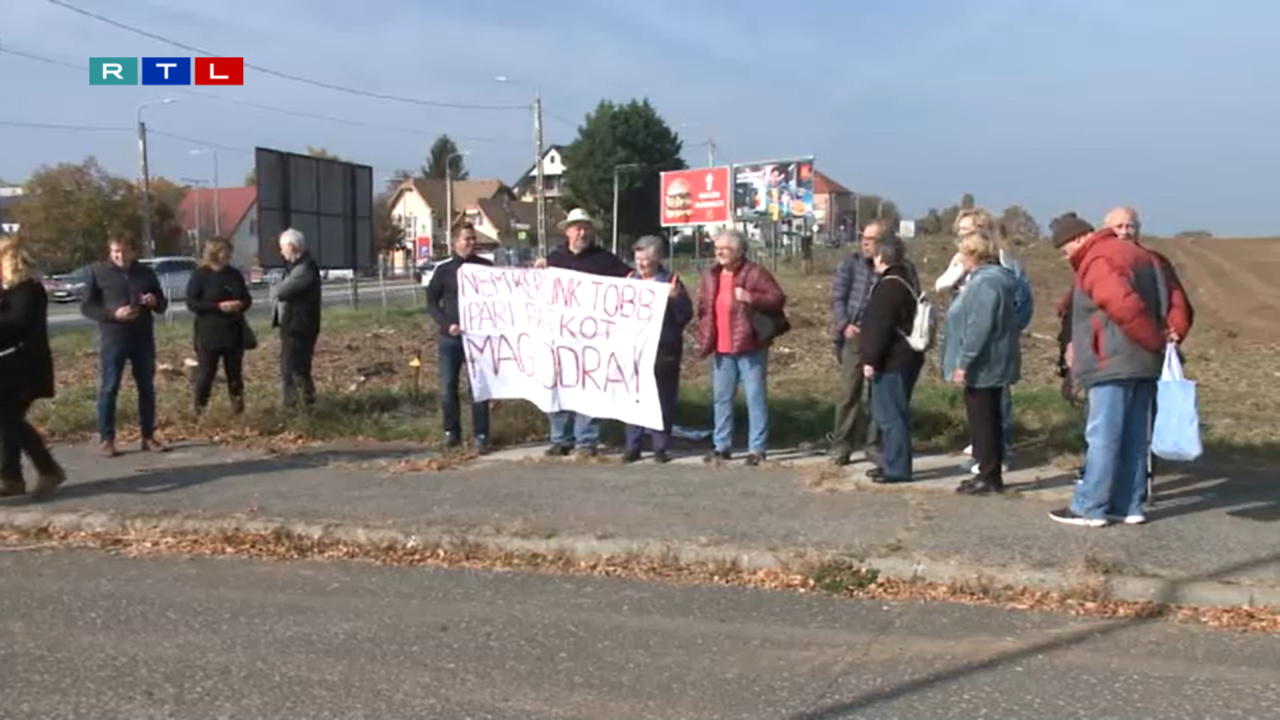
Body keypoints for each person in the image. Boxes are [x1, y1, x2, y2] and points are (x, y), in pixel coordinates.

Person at [1048, 213, 1170, 527]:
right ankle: (1128, 504)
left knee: (1102, 435)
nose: (1067, 258)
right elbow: (1171, 299)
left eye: (1065, 250)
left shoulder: (1098, 259)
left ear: (1077, 239)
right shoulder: (1142, 255)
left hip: (1111, 362)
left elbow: (1123, 305)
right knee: (1135, 437)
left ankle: (1089, 507)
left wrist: (1150, 340)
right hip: (1143, 364)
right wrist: (1158, 344)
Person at [937, 208, 1034, 474]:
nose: (962, 238)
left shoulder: (1000, 267)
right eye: (960, 232)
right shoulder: (968, 266)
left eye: (968, 232)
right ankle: (983, 453)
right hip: (973, 347)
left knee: (993, 406)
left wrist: (1007, 331)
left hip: (991, 351)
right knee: (980, 409)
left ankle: (996, 457)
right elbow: (942, 286)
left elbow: (1019, 304)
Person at [540, 208, 632, 458]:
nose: (581, 233)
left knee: (588, 388)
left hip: (592, 340)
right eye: (577, 228)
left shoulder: (605, 260)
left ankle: (586, 440)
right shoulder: (554, 259)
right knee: (557, 386)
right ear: (567, 231)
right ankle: (560, 438)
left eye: (586, 228)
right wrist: (537, 272)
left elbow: (631, 281)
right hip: (559, 338)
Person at [827, 220, 919, 466]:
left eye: (871, 239)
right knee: (849, 393)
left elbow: (913, 303)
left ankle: (874, 445)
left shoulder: (903, 269)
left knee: (879, 396)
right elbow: (837, 297)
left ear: (884, 243)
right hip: (855, 336)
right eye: (863, 238)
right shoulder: (851, 264)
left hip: (887, 339)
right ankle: (842, 444)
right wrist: (845, 324)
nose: (865, 243)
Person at [695, 229, 787, 467]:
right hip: (721, 347)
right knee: (721, 399)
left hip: (750, 345)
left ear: (738, 251)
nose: (719, 252)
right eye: (717, 248)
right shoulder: (710, 275)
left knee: (755, 397)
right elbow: (704, 306)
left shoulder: (754, 272)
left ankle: (757, 448)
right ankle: (721, 446)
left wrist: (751, 297)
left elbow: (777, 298)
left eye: (724, 248)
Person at [80, 234, 169, 457]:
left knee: (146, 388)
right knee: (109, 388)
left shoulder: (145, 273)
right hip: (113, 337)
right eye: (115, 252)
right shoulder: (98, 272)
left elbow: (162, 305)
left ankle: (148, 436)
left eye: (124, 251)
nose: (120, 256)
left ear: (133, 251)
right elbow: (87, 307)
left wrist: (154, 301)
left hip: (142, 337)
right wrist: (112, 314)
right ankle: (107, 438)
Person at [0, 236, 64, 498]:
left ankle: (47, 470)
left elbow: (18, 324)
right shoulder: (11, 289)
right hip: (11, 366)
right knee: (8, 422)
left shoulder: (27, 289)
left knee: (9, 420)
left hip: (25, 367)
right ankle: (12, 478)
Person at [857, 234, 924, 483]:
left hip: (892, 360)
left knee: (890, 415)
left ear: (882, 256)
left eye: (875, 254)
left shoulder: (888, 287)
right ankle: (890, 461)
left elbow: (878, 328)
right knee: (893, 413)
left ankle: (897, 467)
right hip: (907, 357)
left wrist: (870, 360)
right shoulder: (905, 281)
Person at [622, 235, 693, 464]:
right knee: (634, 398)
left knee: (663, 398)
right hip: (634, 351)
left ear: (657, 259)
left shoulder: (671, 281)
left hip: (664, 350)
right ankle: (632, 445)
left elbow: (685, 315)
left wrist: (675, 300)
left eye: (646, 259)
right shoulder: (628, 279)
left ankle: (660, 446)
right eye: (638, 258)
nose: (641, 264)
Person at [425, 222, 493, 454]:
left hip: (478, 339)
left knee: (479, 388)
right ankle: (451, 433)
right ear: (454, 242)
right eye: (466, 239)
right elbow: (432, 302)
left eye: (473, 238)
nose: (471, 243)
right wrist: (446, 324)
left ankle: (481, 435)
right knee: (447, 387)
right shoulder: (444, 270)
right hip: (450, 338)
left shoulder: (487, 268)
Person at [186, 237, 253, 417]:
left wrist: (240, 305)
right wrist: (217, 306)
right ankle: (199, 410)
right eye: (224, 251)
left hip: (233, 332)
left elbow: (247, 298)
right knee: (206, 374)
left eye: (229, 251)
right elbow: (192, 303)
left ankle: (238, 410)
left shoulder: (234, 274)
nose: (228, 255)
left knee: (235, 374)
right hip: (209, 333)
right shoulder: (201, 275)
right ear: (214, 252)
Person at [271, 228, 322, 409]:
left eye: (283, 248)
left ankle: (296, 406)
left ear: (292, 247)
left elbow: (280, 291)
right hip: (294, 324)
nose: (281, 252)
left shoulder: (305, 269)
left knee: (293, 368)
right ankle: (304, 404)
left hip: (299, 326)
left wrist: (277, 288)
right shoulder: (296, 267)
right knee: (295, 368)